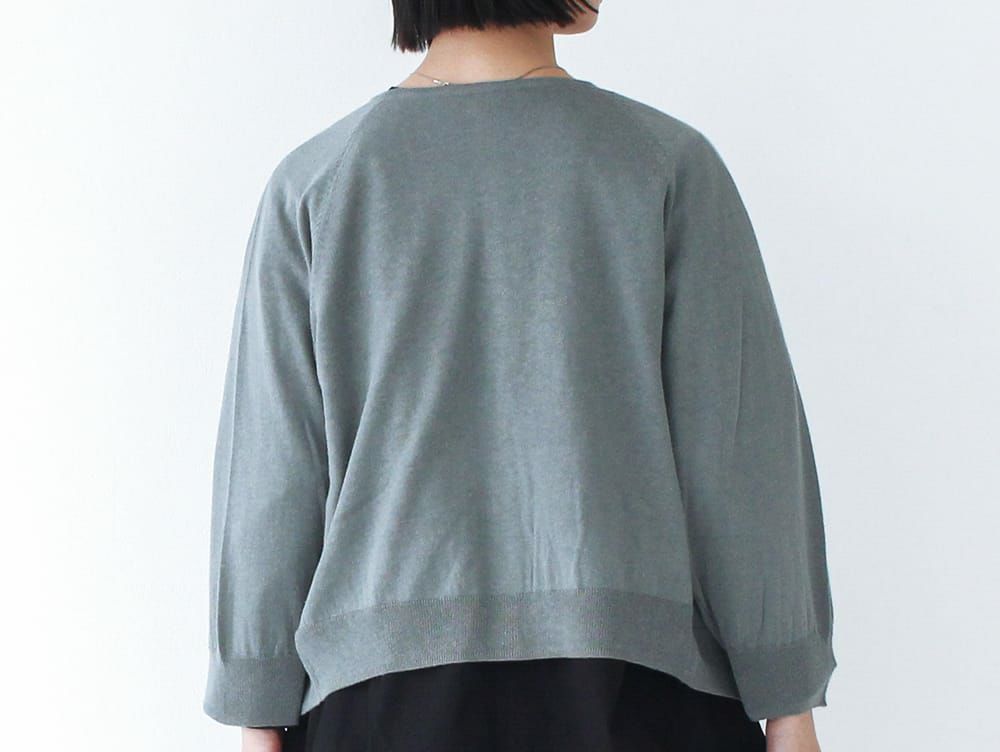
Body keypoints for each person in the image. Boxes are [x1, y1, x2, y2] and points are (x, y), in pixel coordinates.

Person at [201, 1, 837, 750]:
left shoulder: (317, 181)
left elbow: (272, 474)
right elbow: (738, 453)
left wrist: (256, 710)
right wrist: (788, 701)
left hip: (378, 700)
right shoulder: (663, 163)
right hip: (631, 686)